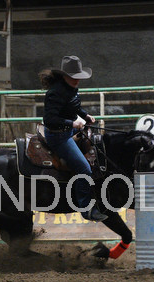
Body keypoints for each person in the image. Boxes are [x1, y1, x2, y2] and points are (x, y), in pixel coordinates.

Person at [39, 55, 108, 222]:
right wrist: (72, 123)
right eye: (73, 76)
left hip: (69, 131)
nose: (77, 80)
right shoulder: (55, 93)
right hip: (58, 136)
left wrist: (85, 115)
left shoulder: (70, 88)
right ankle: (86, 209)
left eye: (78, 76)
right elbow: (50, 119)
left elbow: (73, 107)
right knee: (84, 168)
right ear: (64, 76)